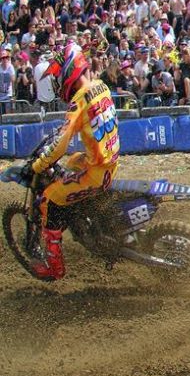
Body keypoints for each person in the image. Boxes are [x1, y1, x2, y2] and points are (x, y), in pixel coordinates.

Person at [22, 45, 121, 281]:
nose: (57, 82)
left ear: (68, 71)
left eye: (58, 76)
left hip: (97, 173)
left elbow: (61, 145)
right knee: (74, 160)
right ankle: (80, 218)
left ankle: (54, 267)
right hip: (109, 160)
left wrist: (37, 166)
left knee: (50, 199)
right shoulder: (101, 86)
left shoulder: (79, 101)